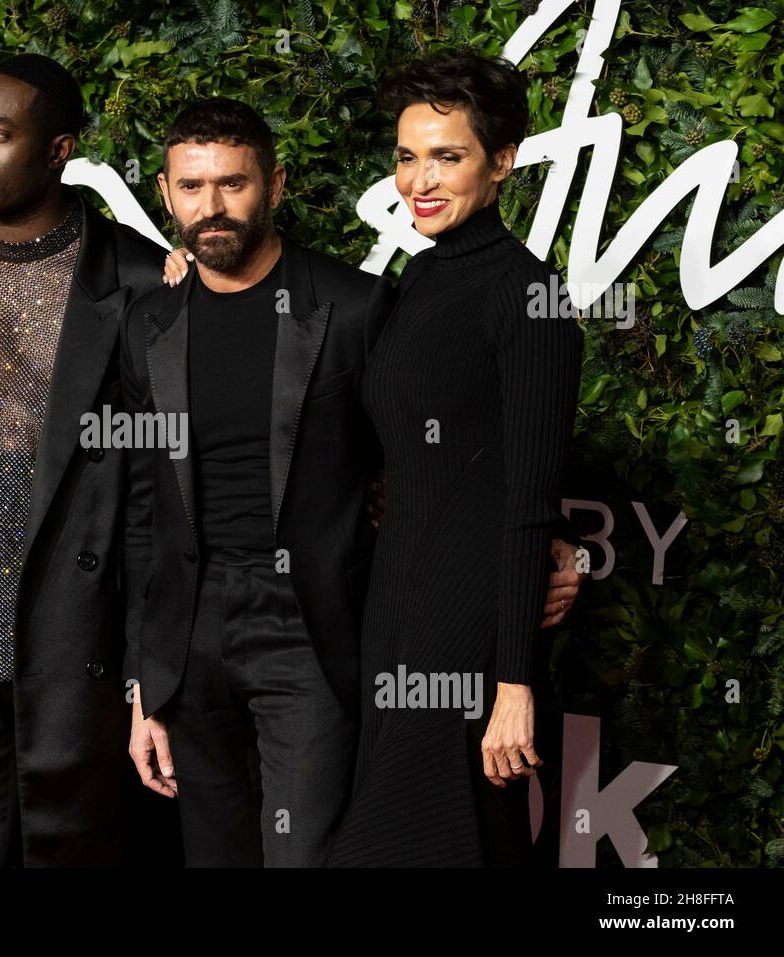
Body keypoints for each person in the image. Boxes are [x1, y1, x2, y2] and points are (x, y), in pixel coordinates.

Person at [128, 97, 585, 867]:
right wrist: (146, 680)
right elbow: (145, 512)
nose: (211, 206)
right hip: (206, 643)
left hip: (324, 632)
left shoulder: (358, 304)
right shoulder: (150, 323)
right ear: (167, 196)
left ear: (274, 185)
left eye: (233, 184)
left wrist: (547, 543)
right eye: (192, 187)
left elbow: (462, 447)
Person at [0, 54, 179, 866]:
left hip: (67, 598)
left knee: (72, 836)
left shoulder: (133, 274)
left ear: (59, 148)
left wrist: (143, 662)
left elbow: (158, 489)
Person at [327, 49, 584, 867]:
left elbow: (528, 498)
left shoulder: (527, 295)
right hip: (394, 605)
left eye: (449, 155)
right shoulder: (422, 277)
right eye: (408, 156)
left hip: (466, 629)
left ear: (502, 162)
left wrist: (513, 685)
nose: (419, 180)